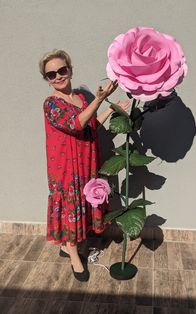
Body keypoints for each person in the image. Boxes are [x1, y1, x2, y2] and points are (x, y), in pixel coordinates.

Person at [39, 49, 129, 281]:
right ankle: (73, 255)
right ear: (46, 79)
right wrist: (99, 99)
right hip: (65, 167)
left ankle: (72, 243)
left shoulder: (79, 98)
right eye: (51, 74)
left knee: (83, 201)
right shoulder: (51, 104)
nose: (58, 76)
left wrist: (110, 107)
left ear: (70, 69)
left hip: (86, 160)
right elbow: (75, 124)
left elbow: (89, 126)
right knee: (70, 204)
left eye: (62, 70)